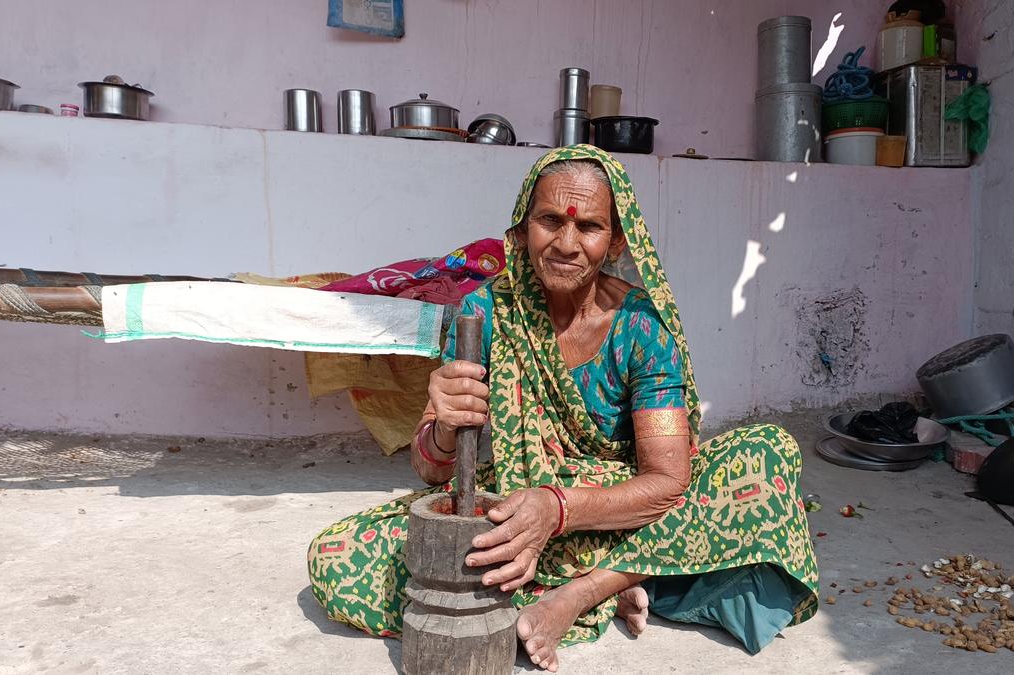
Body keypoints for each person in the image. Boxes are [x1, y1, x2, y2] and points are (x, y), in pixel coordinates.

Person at [308, 145, 818, 671]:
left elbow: (666, 482)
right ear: (523, 227)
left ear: (616, 240)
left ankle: (579, 594)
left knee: (766, 455)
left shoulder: (641, 327)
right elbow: (433, 469)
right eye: (550, 220)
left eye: (590, 227)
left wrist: (556, 509)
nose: (566, 244)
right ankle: (634, 577)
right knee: (337, 556)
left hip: (616, 504)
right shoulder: (485, 314)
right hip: (517, 497)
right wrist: (442, 426)